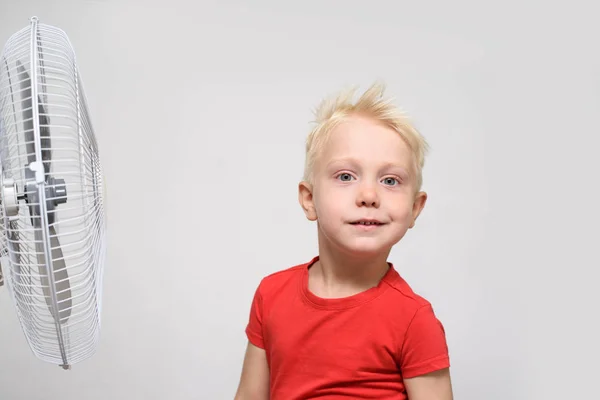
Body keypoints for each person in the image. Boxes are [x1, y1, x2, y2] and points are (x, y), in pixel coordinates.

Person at [234, 82, 453, 400]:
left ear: (414, 209)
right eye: (346, 176)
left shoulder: (414, 320)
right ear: (309, 199)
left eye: (390, 180)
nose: (368, 196)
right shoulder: (271, 295)